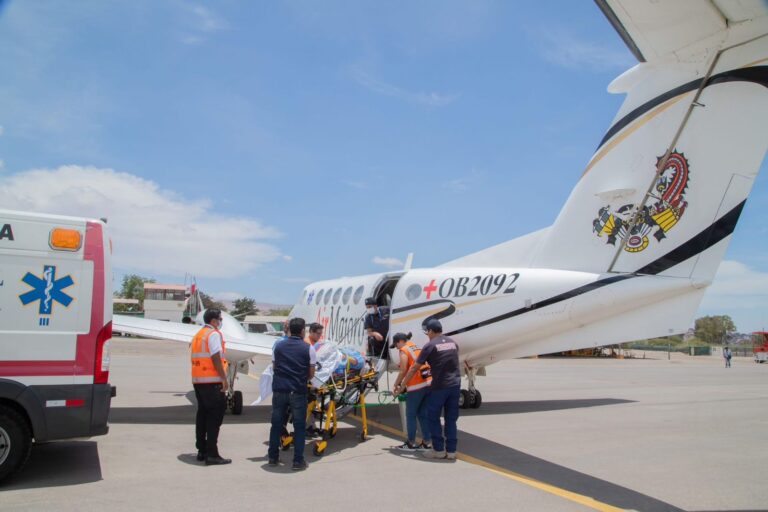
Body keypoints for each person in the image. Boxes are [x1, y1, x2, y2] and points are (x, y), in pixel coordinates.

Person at [396, 319, 460, 460]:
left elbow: (414, 368)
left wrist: (402, 386)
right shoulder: (453, 343)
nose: (427, 335)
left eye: (427, 332)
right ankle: (451, 451)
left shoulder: (430, 346)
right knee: (451, 419)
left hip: (439, 387)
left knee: (433, 418)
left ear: (431, 331)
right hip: (455, 385)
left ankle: (438, 450)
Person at [268, 317, 316, 471]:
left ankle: (273, 457)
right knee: (299, 426)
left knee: (276, 424)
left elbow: (275, 367)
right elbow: (311, 373)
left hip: (280, 389)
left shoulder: (279, 346)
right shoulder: (308, 348)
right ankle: (297, 461)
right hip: (297, 390)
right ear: (303, 331)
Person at [191, 308, 231, 465]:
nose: (220, 322)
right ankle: (212, 454)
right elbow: (215, 357)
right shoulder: (213, 335)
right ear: (214, 320)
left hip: (199, 381)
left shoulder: (199, 335)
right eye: (220, 319)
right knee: (214, 419)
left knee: (202, 416)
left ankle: (202, 450)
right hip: (212, 382)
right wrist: (223, 378)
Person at [391, 332, 432, 451]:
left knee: (410, 414)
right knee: (422, 414)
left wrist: (397, 385)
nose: (397, 348)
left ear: (400, 341)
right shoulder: (414, 346)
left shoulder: (404, 349)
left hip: (416, 385)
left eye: (396, 345)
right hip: (427, 382)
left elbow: (403, 369)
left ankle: (410, 443)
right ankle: (426, 442)